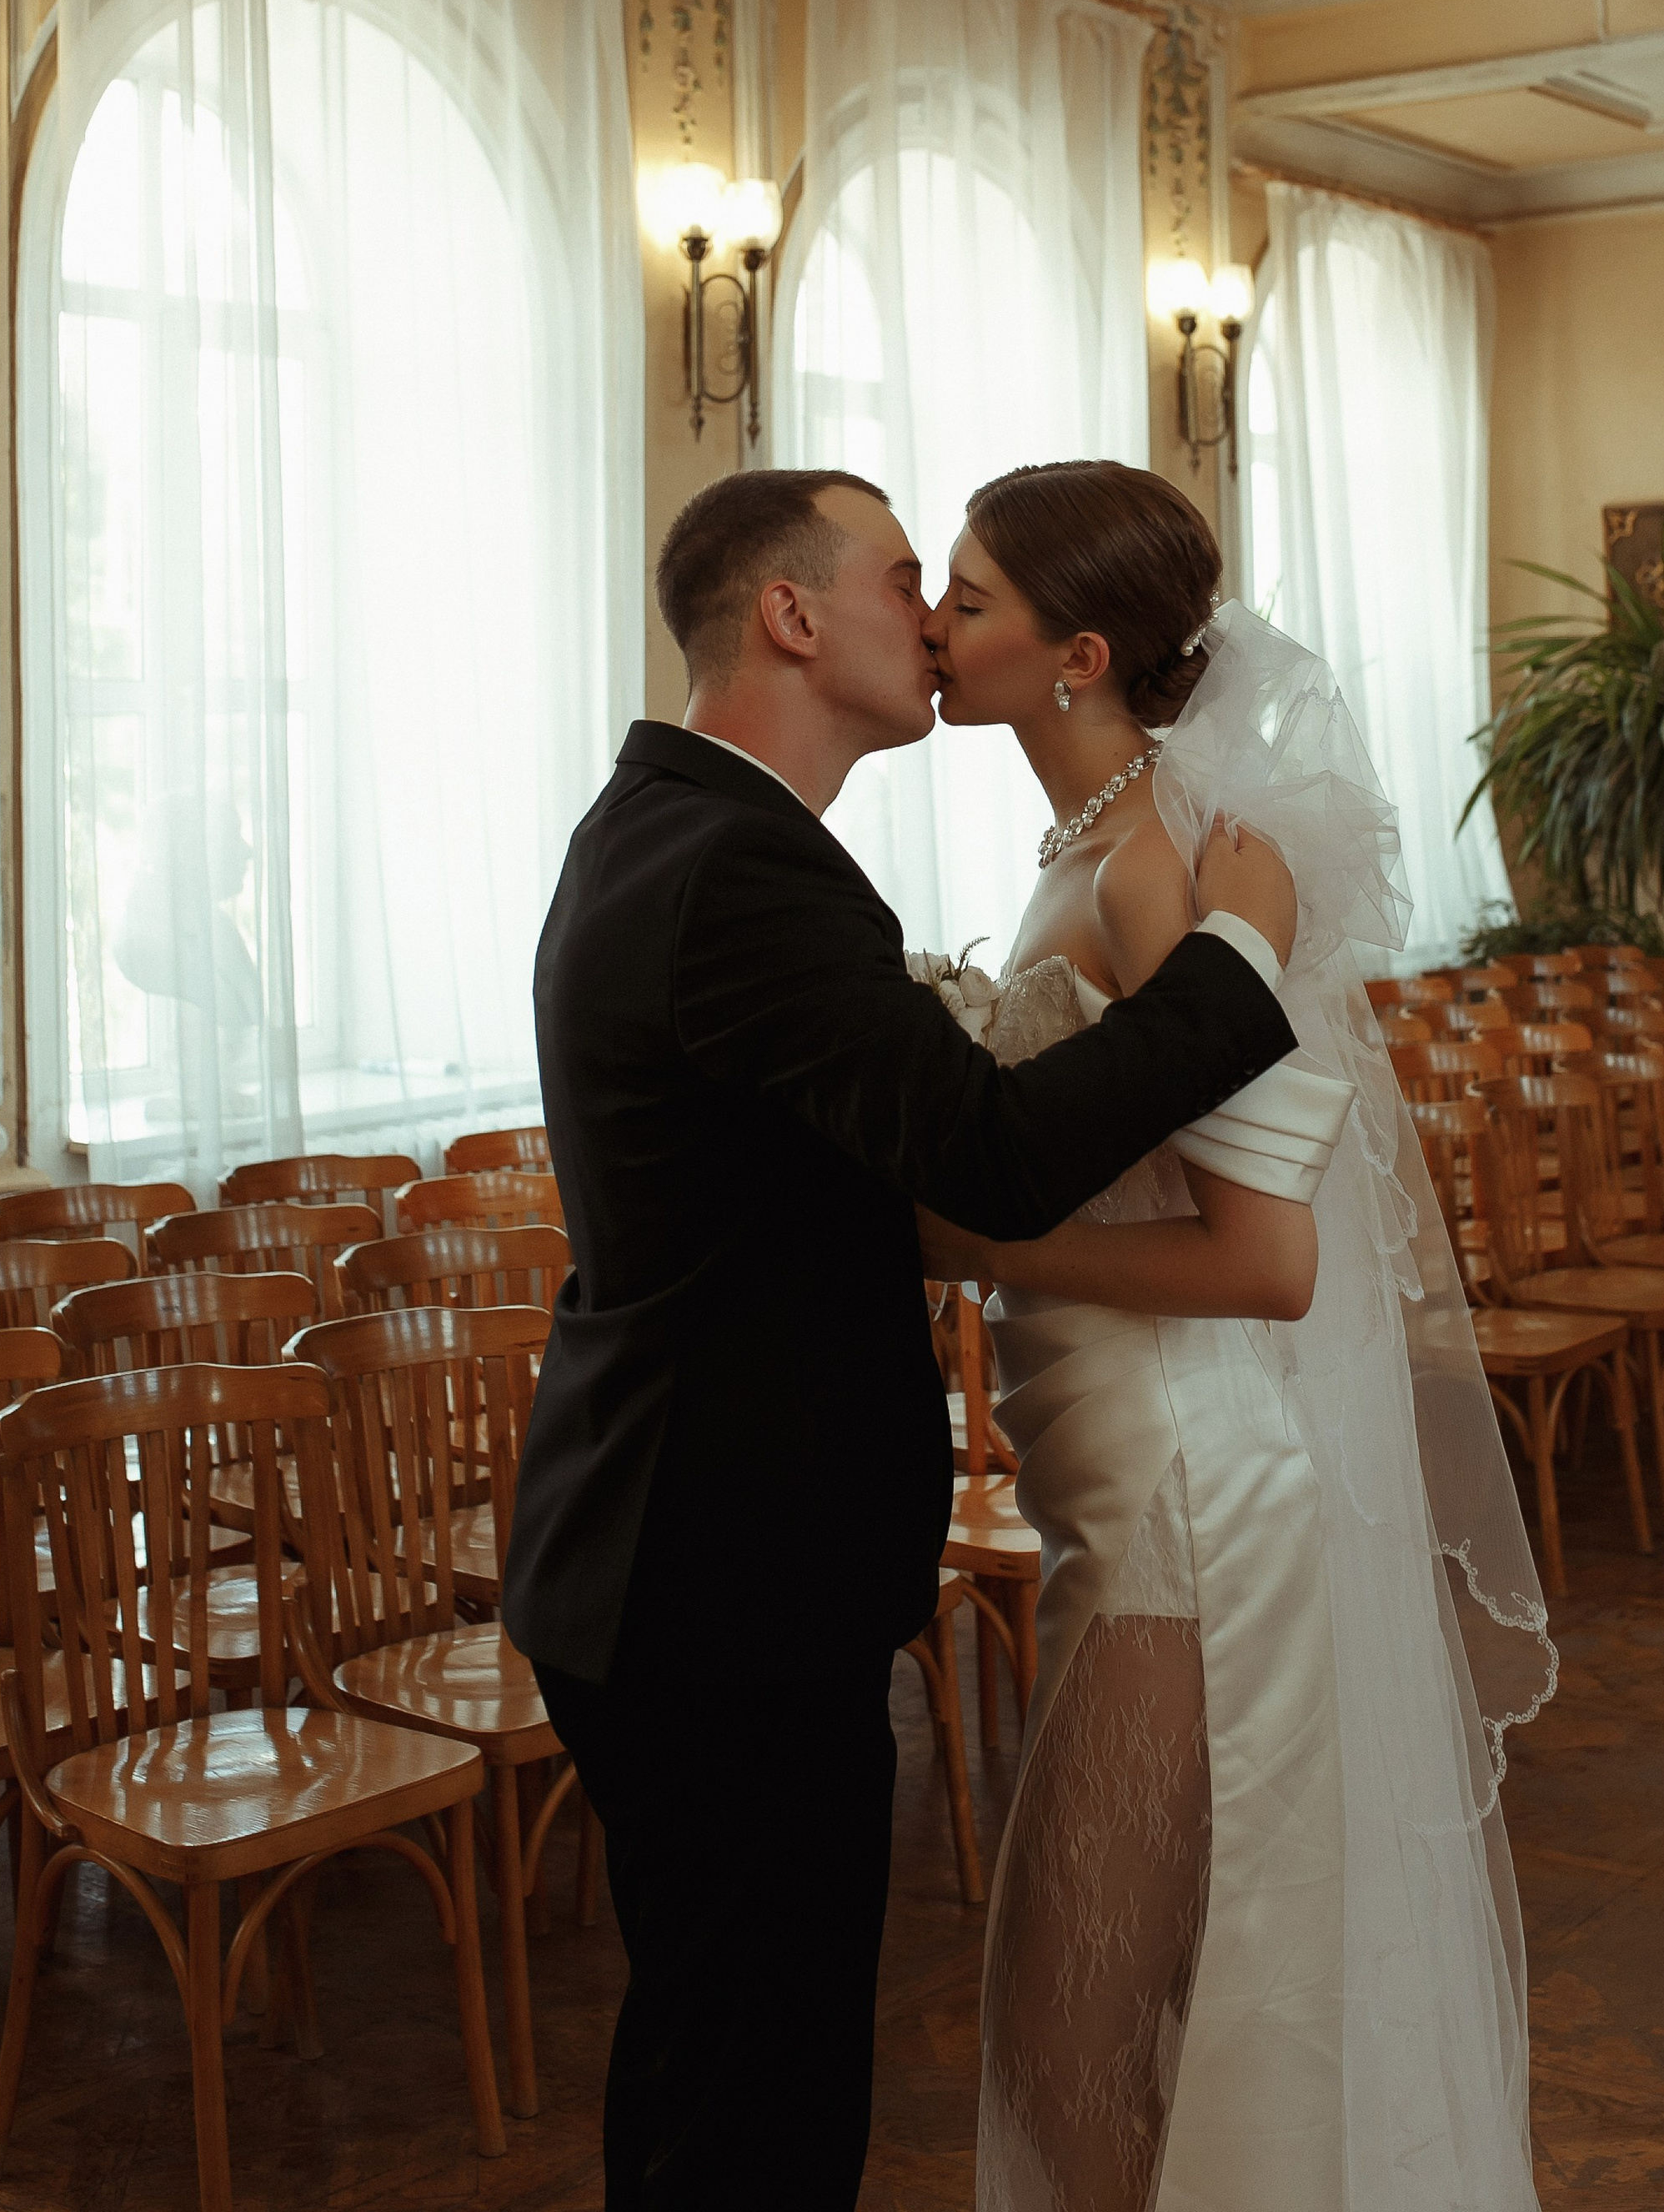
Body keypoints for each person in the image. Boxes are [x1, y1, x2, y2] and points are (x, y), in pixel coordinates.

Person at [502, 465, 1301, 2210]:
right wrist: (1240, 964)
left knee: (724, 2066)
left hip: (684, 1552)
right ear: (790, 614)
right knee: (756, 2105)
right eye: (894, 576)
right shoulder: (739, 865)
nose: (928, 619)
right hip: (719, 1576)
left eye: (958, 588)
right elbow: (992, 1157)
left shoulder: (675, 827)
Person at [918, 460, 1556, 2212]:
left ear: (1078, 650)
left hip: (1186, 1495)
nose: (931, 625)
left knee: (1088, 2012)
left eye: (965, 597)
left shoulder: (1162, 868)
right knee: (1097, 2006)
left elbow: (1270, 1259)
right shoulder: (1085, 842)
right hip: (1114, 1483)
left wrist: (980, 1241)